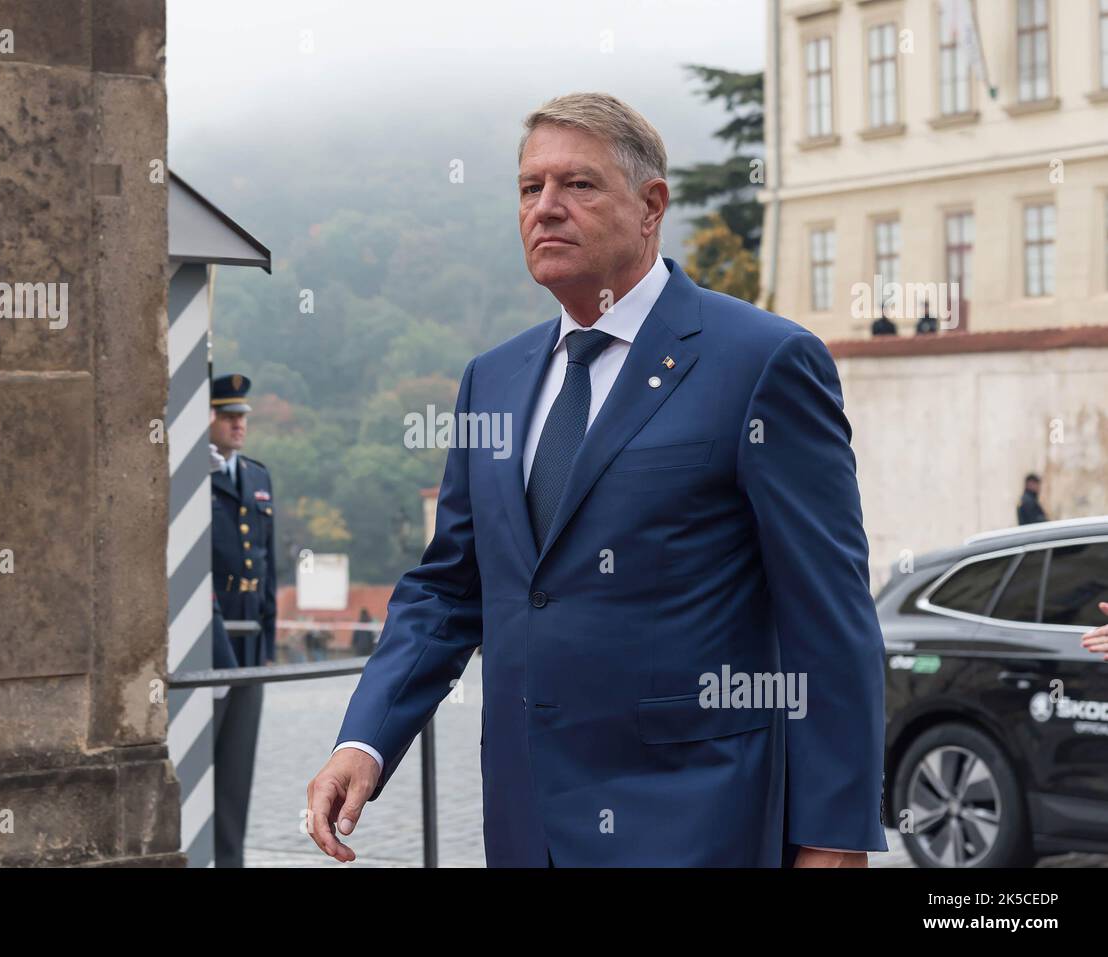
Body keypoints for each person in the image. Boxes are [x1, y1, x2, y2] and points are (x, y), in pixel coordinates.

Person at [305, 93, 887, 868]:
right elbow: (450, 587)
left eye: (577, 185)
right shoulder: (493, 380)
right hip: (526, 828)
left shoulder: (763, 362)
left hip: (698, 821)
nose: (545, 208)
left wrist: (835, 837)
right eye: (528, 188)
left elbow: (831, 616)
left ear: (651, 208)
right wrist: (365, 739)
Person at [209, 372, 277, 868]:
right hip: (207, 643)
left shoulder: (256, 477)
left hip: (249, 644)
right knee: (200, 764)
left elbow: (267, 565)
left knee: (236, 774)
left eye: (242, 418)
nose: (239, 425)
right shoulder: (190, 475)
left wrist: (269, 640)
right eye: (229, 416)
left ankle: (230, 861)